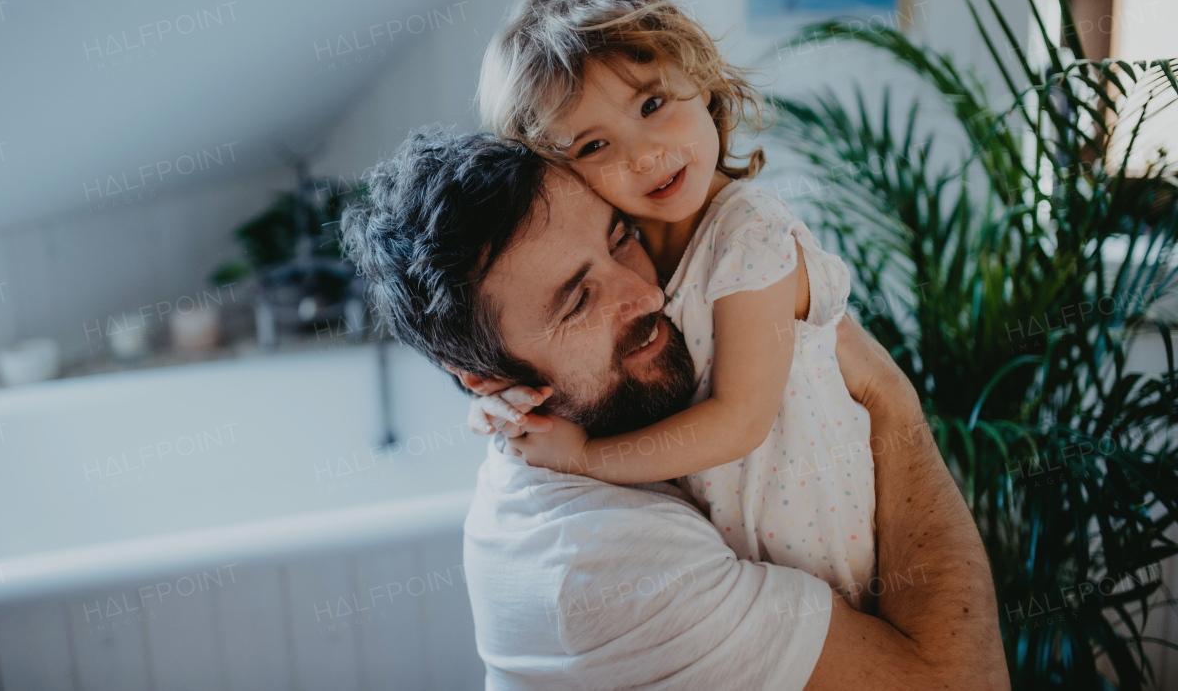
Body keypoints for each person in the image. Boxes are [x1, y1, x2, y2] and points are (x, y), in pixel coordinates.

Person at [342, 129, 1008, 689]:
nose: (644, 294)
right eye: (578, 301)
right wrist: (892, 403)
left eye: (622, 236)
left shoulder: (601, 409)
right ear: (487, 380)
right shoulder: (597, 568)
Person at [469, 0, 873, 606]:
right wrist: (506, 400)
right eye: (594, 144)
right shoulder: (631, 253)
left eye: (652, 105)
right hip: (738, 555)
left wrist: (583, 457)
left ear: (701, 77)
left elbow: (739, 421)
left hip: (823, 543)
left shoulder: (748, 232)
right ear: (557, 177)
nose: (644, 154)